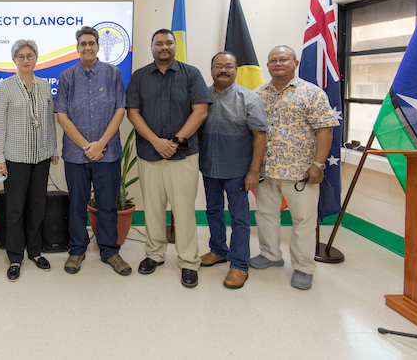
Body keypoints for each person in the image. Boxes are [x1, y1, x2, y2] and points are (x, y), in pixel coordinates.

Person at [126, 29, 212, 288]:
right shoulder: (139, 76)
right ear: (151, 47)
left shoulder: (191, 74)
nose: (164, 47)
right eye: (159, 43)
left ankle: (188, 261)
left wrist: (174, 142)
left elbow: (200, 111)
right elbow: (132, 112)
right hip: (149, 154)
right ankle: (154, 254)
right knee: (152, 208)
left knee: (184, 210)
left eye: (168, 43)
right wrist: (155, 141)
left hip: (183, 155)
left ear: (175, 46)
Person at [250, 45, 339, 290]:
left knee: (303, 221)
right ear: (267, 65)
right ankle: (270, 255)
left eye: (284, 59)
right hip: (267, 171)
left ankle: (302, 267)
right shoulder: (257, 94)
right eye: (273, 60)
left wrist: (318, 164)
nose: (278, 64)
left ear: (295, 63)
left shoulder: (312, 93)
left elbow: (325, 129)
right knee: (266, 216)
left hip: (300, 172)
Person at [55, 26, 131, 276]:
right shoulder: (66, 77)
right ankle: (77, 250)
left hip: (107, 153)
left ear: (98, 46)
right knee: (76, 204)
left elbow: (120, 109)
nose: (87, 47)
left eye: (91, 43)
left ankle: (110, 250)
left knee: (107, 204)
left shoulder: (112, 74)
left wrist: (100, 144)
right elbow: (62, 115)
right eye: (83, 43)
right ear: (77, 48)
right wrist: (87, 146)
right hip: (76, 155)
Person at [198, 51, 267, 289]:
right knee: (213, 211)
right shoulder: (201, 96)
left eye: (229, 66)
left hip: (238, 169)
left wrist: (253, 172)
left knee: (239, 218)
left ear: (236, 70)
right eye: (218, 66)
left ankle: (239, 264)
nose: (223, 70)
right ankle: (218, 250)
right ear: (211, 69)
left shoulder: (249, 98)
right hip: (209, 168)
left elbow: (260, 137)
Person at [0, 40, 59, 282]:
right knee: (15, 210)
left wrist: (53, 148)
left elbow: (50, 121)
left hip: (40, 157)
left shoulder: (44, 85)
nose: (26, 59)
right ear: (14, 60)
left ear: (36, 58)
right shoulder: (5, 87)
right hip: (15, 158)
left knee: (37, 207)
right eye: (20, 56)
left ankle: (36, 252)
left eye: (30, 55)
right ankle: (15, 257)